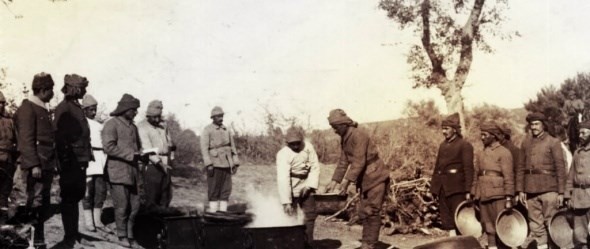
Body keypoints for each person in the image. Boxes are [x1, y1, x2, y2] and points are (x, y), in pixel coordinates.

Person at [324, 109, 389, 249]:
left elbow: (359, 162)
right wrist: (334, 181)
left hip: (375, 176)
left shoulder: (359, 135)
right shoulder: (345, 137)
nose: (334, 131)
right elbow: (343, 161)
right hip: (365, 178)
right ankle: (367, 243)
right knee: (365, 210)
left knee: (372, 210)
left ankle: (370, 244)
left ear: (343, 124)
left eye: (335, 127)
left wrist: (346, 183)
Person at [14, 72, 57, 249]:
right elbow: (26, 139)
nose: (52, 93)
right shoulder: (28, 108)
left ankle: (37, 242)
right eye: (51, 89)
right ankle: (21, 243)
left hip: (44, 163)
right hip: (34, 166)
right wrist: (34, 164)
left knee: (39, 205)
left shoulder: (40, 108)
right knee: (28, 204)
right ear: (42, 90)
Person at [53, 74, 94, 248]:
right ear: (74, 89)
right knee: (69, 198)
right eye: (82, 88)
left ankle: (74, 233)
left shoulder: (76, 107)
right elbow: (60, 138)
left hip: (80, 160)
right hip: (70, 161)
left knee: (76, 196)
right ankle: (69, 237)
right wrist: (65, 162)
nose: (84, 91)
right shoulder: (64, 108)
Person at [515, 112, 566, 249]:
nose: (534, 127)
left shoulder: (553, 142)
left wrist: (561, 192)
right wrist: (520, 189)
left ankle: (554, 246)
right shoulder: (526, 143)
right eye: (532, 124)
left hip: (550, 189)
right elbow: (520, 168)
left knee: (551, 222)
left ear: (544, 125)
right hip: (530, 190)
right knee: (535, 224)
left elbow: (560, 168)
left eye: (537, 124)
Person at [102, 94, 142, 248]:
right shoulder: (111, 125)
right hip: (117, 172)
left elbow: (137, 147)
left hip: (132, 172)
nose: (135, 113)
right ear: (125, 109)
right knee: (122, 206)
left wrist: (142, 155)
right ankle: (121, 236)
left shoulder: (133, 127)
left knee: (135, 205)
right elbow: (109, 147)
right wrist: (131, 155)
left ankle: (131, 236)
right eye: (133, 110)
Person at [429, 113, 474, 237]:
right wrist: (434, 189)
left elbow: (468, 169)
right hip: (443, 189)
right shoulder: (442, 146)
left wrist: (468, 190)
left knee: (459, 221)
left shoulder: (464, 145)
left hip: (457, 190)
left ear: (454, 129)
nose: (444, 131)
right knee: (448, 222)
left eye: (446, 128)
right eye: (442, 128)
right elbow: (437, 168)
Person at [470, 123, 514, 249]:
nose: (482, 137)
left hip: (498, 195)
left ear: (494, 136)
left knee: (502, 226)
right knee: (488, 227)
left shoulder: (504, 153)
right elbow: (476, 175)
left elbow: (509, 177)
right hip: (483, 194)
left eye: (485, 135)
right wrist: (474, 192)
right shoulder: (480, 153)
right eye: (481, 135)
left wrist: (509, 197)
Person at [276, 126, 319, 247]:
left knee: (310, 215)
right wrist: (287, 202)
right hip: (291, 185)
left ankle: (308, 243)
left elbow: (315, 167)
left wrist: (310, 185)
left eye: (298, 143)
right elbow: (283, 178)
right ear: (287, 143)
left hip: (306, 184)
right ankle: (293, 244)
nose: (295, 146)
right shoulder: (283, 154)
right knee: (290, 217)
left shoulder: (308, 147)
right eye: (292, 144)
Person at [200, 106, 240, 213]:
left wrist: (235, 162)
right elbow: (204, 148)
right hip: (215, 163)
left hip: (227, 163)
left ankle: (223, 212)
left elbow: (233, 147)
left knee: (226, 188)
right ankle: (213, 212)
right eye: (218, 116)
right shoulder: (207, 130)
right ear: (212, 117)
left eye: (222, 116)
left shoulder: (226, 129)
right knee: (214, 188)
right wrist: (208, 164)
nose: (221, 118)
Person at [80, 94, 110, 233]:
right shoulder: (81, 123)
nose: (93, 112)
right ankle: (88, 221)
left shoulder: (100, 125)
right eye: (90, 109)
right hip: (88, 159)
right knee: (88, 191)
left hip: (100, 159)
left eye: (95, 109)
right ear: (84, 110)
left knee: (100, 190)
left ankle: (97, 220)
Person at [137, 100, 174, 210]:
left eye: (159, 116)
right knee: (153, 195)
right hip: (152, 164)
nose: (157, 120)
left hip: (166, 162)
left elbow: (169, 142)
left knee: (165, 194)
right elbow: (147, 149)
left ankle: (164, 222)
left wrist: (171, 159)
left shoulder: (163, 125)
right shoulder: (142, 126)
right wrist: (160, 164)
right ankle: (152, 223)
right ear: (148, 116)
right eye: (154, 117)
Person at [565, 121, 590, 248]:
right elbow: (570, 176)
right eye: (580, 132)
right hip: (579, 197)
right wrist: (568, 195)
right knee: (580, 233)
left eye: (584, 133)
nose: (580, 135)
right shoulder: (577, 153)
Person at [0, 91, 17, 224]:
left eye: (3, 103)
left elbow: (16, 141)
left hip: (9, 161)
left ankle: (3, 221)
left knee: (5, 192)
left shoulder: (9, 121)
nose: (1, 105)